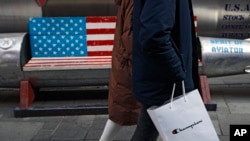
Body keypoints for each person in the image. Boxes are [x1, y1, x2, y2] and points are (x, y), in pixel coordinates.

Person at [130, 0, 199, 140]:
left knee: (147, 133)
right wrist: (178, 72)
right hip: (166, 82)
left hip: (161, 79)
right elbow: (154, 37)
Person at [99, 0, 141, 141]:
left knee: (123, 110)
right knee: (123, 109)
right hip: (131, 65)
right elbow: (131, 36)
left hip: (125, 62)